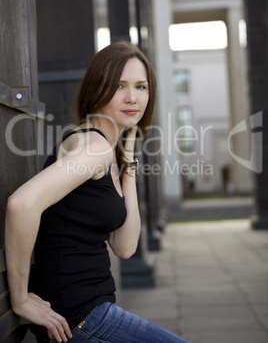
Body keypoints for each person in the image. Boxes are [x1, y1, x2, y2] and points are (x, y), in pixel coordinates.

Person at [5, 41, 190, 343]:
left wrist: (128, 162)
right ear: (97, 89)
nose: (133, 98)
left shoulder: (108, 152)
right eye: (119, 86)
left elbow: (125, 247)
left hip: (92, 312)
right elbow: (21, 205)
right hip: (80, 317)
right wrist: (22, 299)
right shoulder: (94, 147)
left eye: (141, 87)